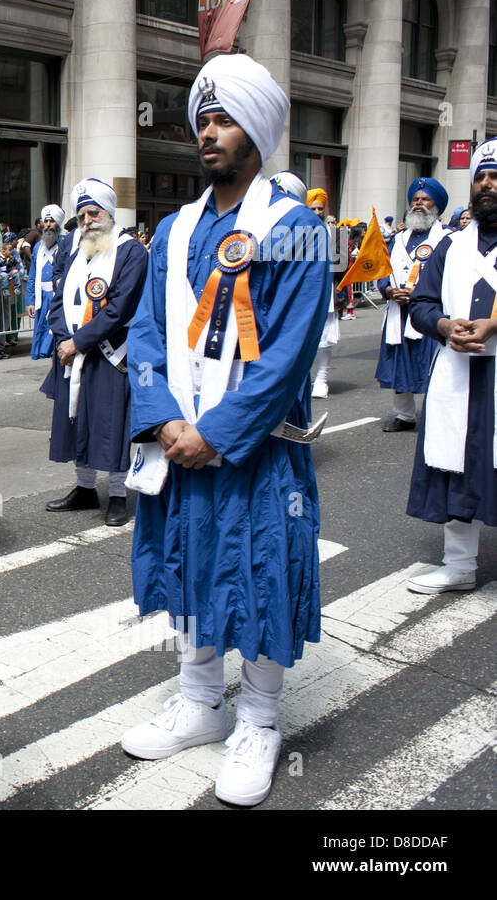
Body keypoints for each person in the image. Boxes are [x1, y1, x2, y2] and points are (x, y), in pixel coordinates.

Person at [120, 54, 329, 807]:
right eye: (202, 119)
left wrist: (216, 430)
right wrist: (168, 419)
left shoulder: (297, 228)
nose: (209, 132)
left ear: (259, 131)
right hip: (180, 445)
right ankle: (200, 698)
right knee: (190, 565)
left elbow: (290, 354)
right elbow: (144, 335)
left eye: (224, 118)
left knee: (263, 571)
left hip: (257, 449)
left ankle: (260, 720)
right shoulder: (173, 230)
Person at [403, 139, 497, 593]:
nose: (486, 185)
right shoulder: (451, 247)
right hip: (458, 374)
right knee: (455, 464)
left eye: (495, 177)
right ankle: (459, 565)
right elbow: (421, 304)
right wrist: (444, 325)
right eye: (480, 177)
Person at [41, 178, 147, 526]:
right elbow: (58, 300)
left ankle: (118, 493)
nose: (87, 220)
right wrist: (61, 337)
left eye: (94, 213)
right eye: (82, 215)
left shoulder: (131, 251)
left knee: (110, 426)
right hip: (73, 351)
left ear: (109, 214)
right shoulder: (76, 248)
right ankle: (85, 488)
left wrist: (77, 342)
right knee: (78, 422)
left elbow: (119, 309)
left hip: (110, 354)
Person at [377, 177, 448, 432]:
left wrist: (420, 293)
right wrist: (387, 289)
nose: (419, 204)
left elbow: (450, 276)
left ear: (436, 205)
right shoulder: (397, 239)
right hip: (399, 312)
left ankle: (438, 415)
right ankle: (404, 415)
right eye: (415, 200)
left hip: (431, 313)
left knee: (433, 364)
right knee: (401, 363)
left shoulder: (447, 239)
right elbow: (382, 270)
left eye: (425, 200)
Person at [294, 182, 338, 399]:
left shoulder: (333, 233)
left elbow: (340, 264)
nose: (318, 212)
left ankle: (321, 379)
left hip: (324, 289)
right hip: (301, 291)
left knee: (325, 337)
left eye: (321, 208)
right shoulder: (295, 229)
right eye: (313, 208)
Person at [27, 205, 66, 361]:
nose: (48, 224)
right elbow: (32, 274)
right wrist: (30, 300)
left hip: (58, 295)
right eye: (46, 221)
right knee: (43, 331)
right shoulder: (37, 247)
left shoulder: (65, 244)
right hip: (41, 297)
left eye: (52, 221)